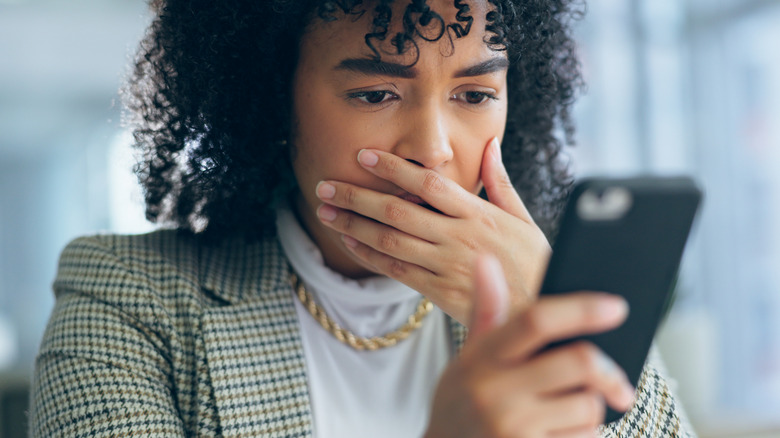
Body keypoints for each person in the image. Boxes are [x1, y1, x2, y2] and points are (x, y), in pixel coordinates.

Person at [30, 0, 694, 436]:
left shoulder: (550, 283)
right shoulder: (121, 294)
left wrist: (554, 318)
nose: (433, 148)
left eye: (475, 93)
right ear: (271, 102)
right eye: (375, 92)